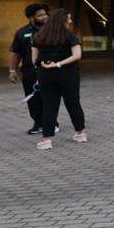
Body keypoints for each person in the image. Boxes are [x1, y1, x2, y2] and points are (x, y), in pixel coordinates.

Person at [31, 11, 87, 150]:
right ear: (62, 21)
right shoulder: (70, 36)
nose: (70, 21)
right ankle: (80, 133)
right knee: (73, 102)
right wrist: (59, 64)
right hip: (68, 74)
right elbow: (77, 55)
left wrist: (44, 65)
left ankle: (46, 140)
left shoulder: (39, 36)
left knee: (49, 106)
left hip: (46, 74)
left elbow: (34, 59)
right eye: (68, 19)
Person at [8, 3, 49, 134]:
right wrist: (12, 70)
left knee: (48, 97)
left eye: (45, 14)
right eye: (40, 15)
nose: (44, 17)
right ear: (31, 17)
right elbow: (16, 53)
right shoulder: (22, 32)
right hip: (29, 72)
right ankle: (38, 123)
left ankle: (51, 123)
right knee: (32, 98)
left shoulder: (52, 30)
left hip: (48, 69)